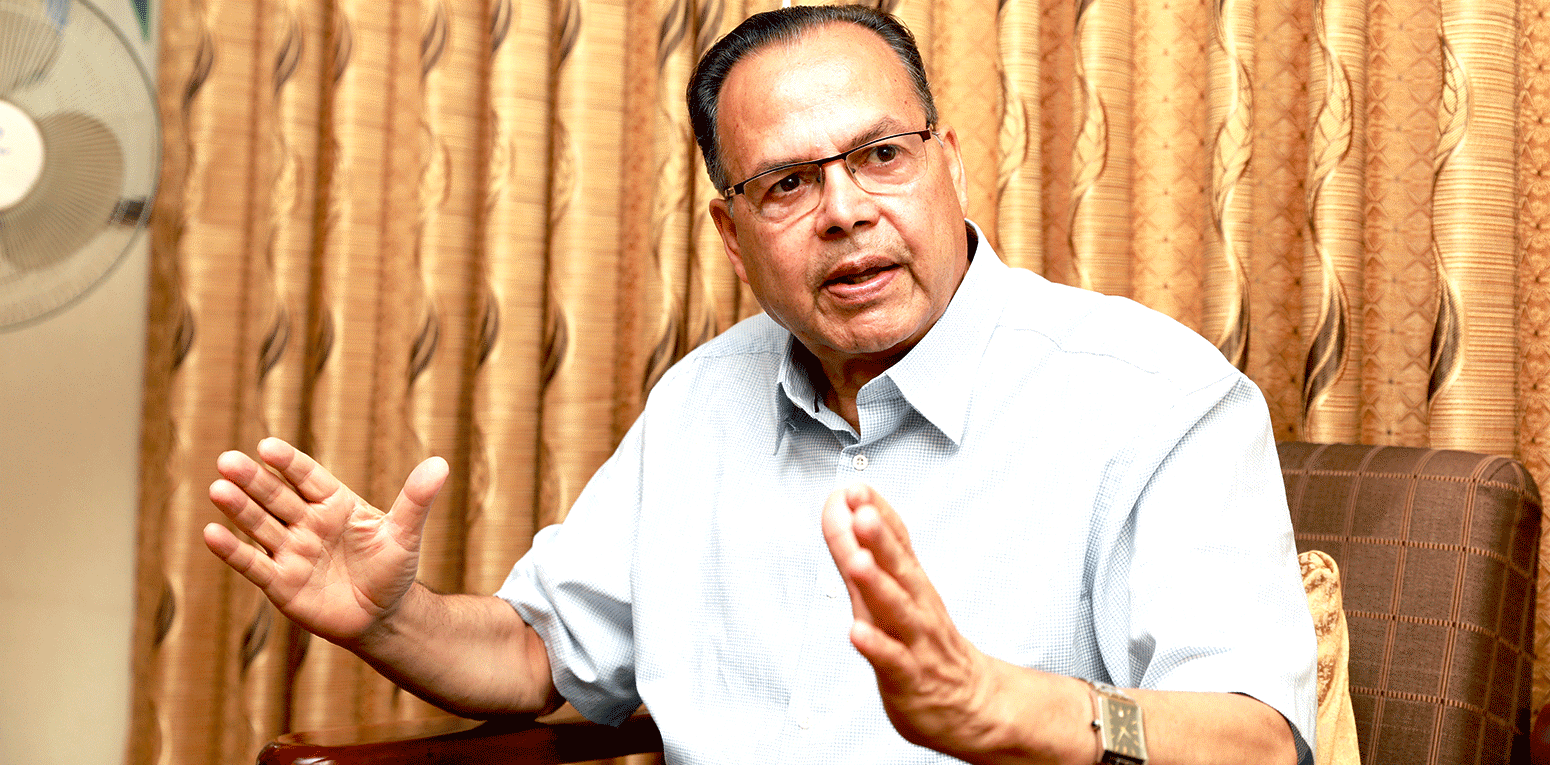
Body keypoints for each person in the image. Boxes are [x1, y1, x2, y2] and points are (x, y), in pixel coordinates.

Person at [204, 6, 1317, 764]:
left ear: (950, 163)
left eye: (881, 155)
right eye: (787, 182)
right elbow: (540, 655)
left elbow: (1257, 741)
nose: (845, 211)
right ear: (731, 236)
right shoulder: (701, 401)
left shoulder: (1150, 393)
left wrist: (996, 706)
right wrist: (393, 620)